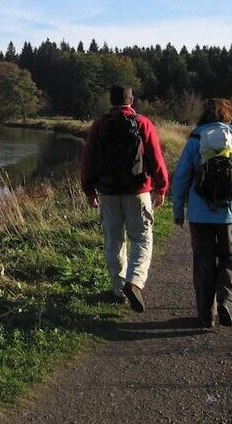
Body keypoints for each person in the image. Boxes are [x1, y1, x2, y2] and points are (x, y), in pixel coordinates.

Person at [171, 98, 232, 328]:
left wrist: (178, 209)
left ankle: (205, 314)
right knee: (229, 257)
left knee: (203, 261)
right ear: (230, 115)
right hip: (231, 213)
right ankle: (226, 303)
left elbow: (181, 177)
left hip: (200, 214)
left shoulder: (195, 140)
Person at [81, 84, 169, 312]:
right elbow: (156, 158)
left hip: (108, 193)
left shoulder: (99, 125)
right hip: (138, 192)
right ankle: (135, 282)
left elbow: (88, 159)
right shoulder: (142, 123)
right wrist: (161, 187)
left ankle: (119, 290)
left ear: (110, 100)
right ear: (132, 100)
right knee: (141, 238)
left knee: (114, 241)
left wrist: (89, 190)